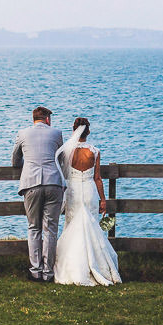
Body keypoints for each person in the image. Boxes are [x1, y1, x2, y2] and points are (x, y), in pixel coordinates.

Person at [53, 117, 121, 286]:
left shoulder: (67, 152)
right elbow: (98, 178)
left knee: (72, 225)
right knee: (91, 227)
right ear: (88, 132)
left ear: (74, 130)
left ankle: (72, 265)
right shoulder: (94, 151)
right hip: (90, 190)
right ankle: (98, 265)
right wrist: (103, 200)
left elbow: (63, 175)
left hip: (73, 191)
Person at [11, 106, 65, 282]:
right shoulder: (57, 133)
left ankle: (35, 271)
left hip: (31, 183)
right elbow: (62, 160)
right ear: (48, 119)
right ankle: (48, 273)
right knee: (50, 229)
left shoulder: (22, 133)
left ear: (33, 118)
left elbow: (15, 160)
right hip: (53, 183)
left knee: (34, 228)